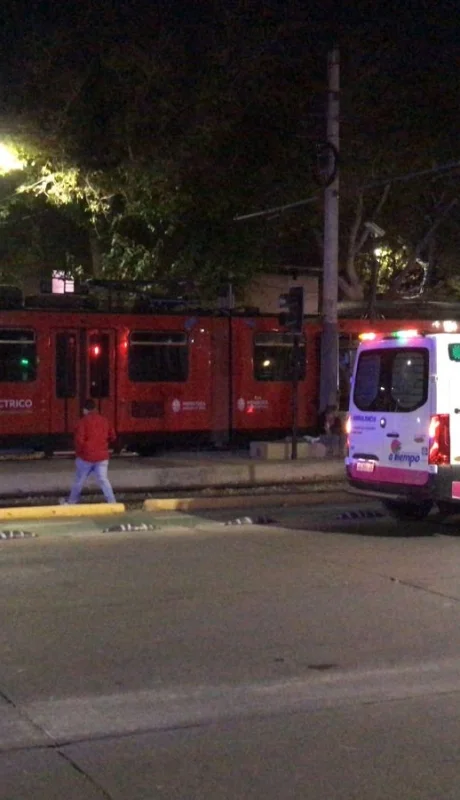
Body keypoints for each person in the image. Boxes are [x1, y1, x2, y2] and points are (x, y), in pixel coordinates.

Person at [62, 399, 117, 504]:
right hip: (102, 457)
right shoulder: (104, 420)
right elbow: (113, 436)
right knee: (103, 480)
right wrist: (102, 444)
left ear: (85, 410)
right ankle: (112, 502)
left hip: (85, 457)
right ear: (95, 408)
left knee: (79, 481)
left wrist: (80, 453)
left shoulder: (82, 422)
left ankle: (71, 502)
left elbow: (79, 441)